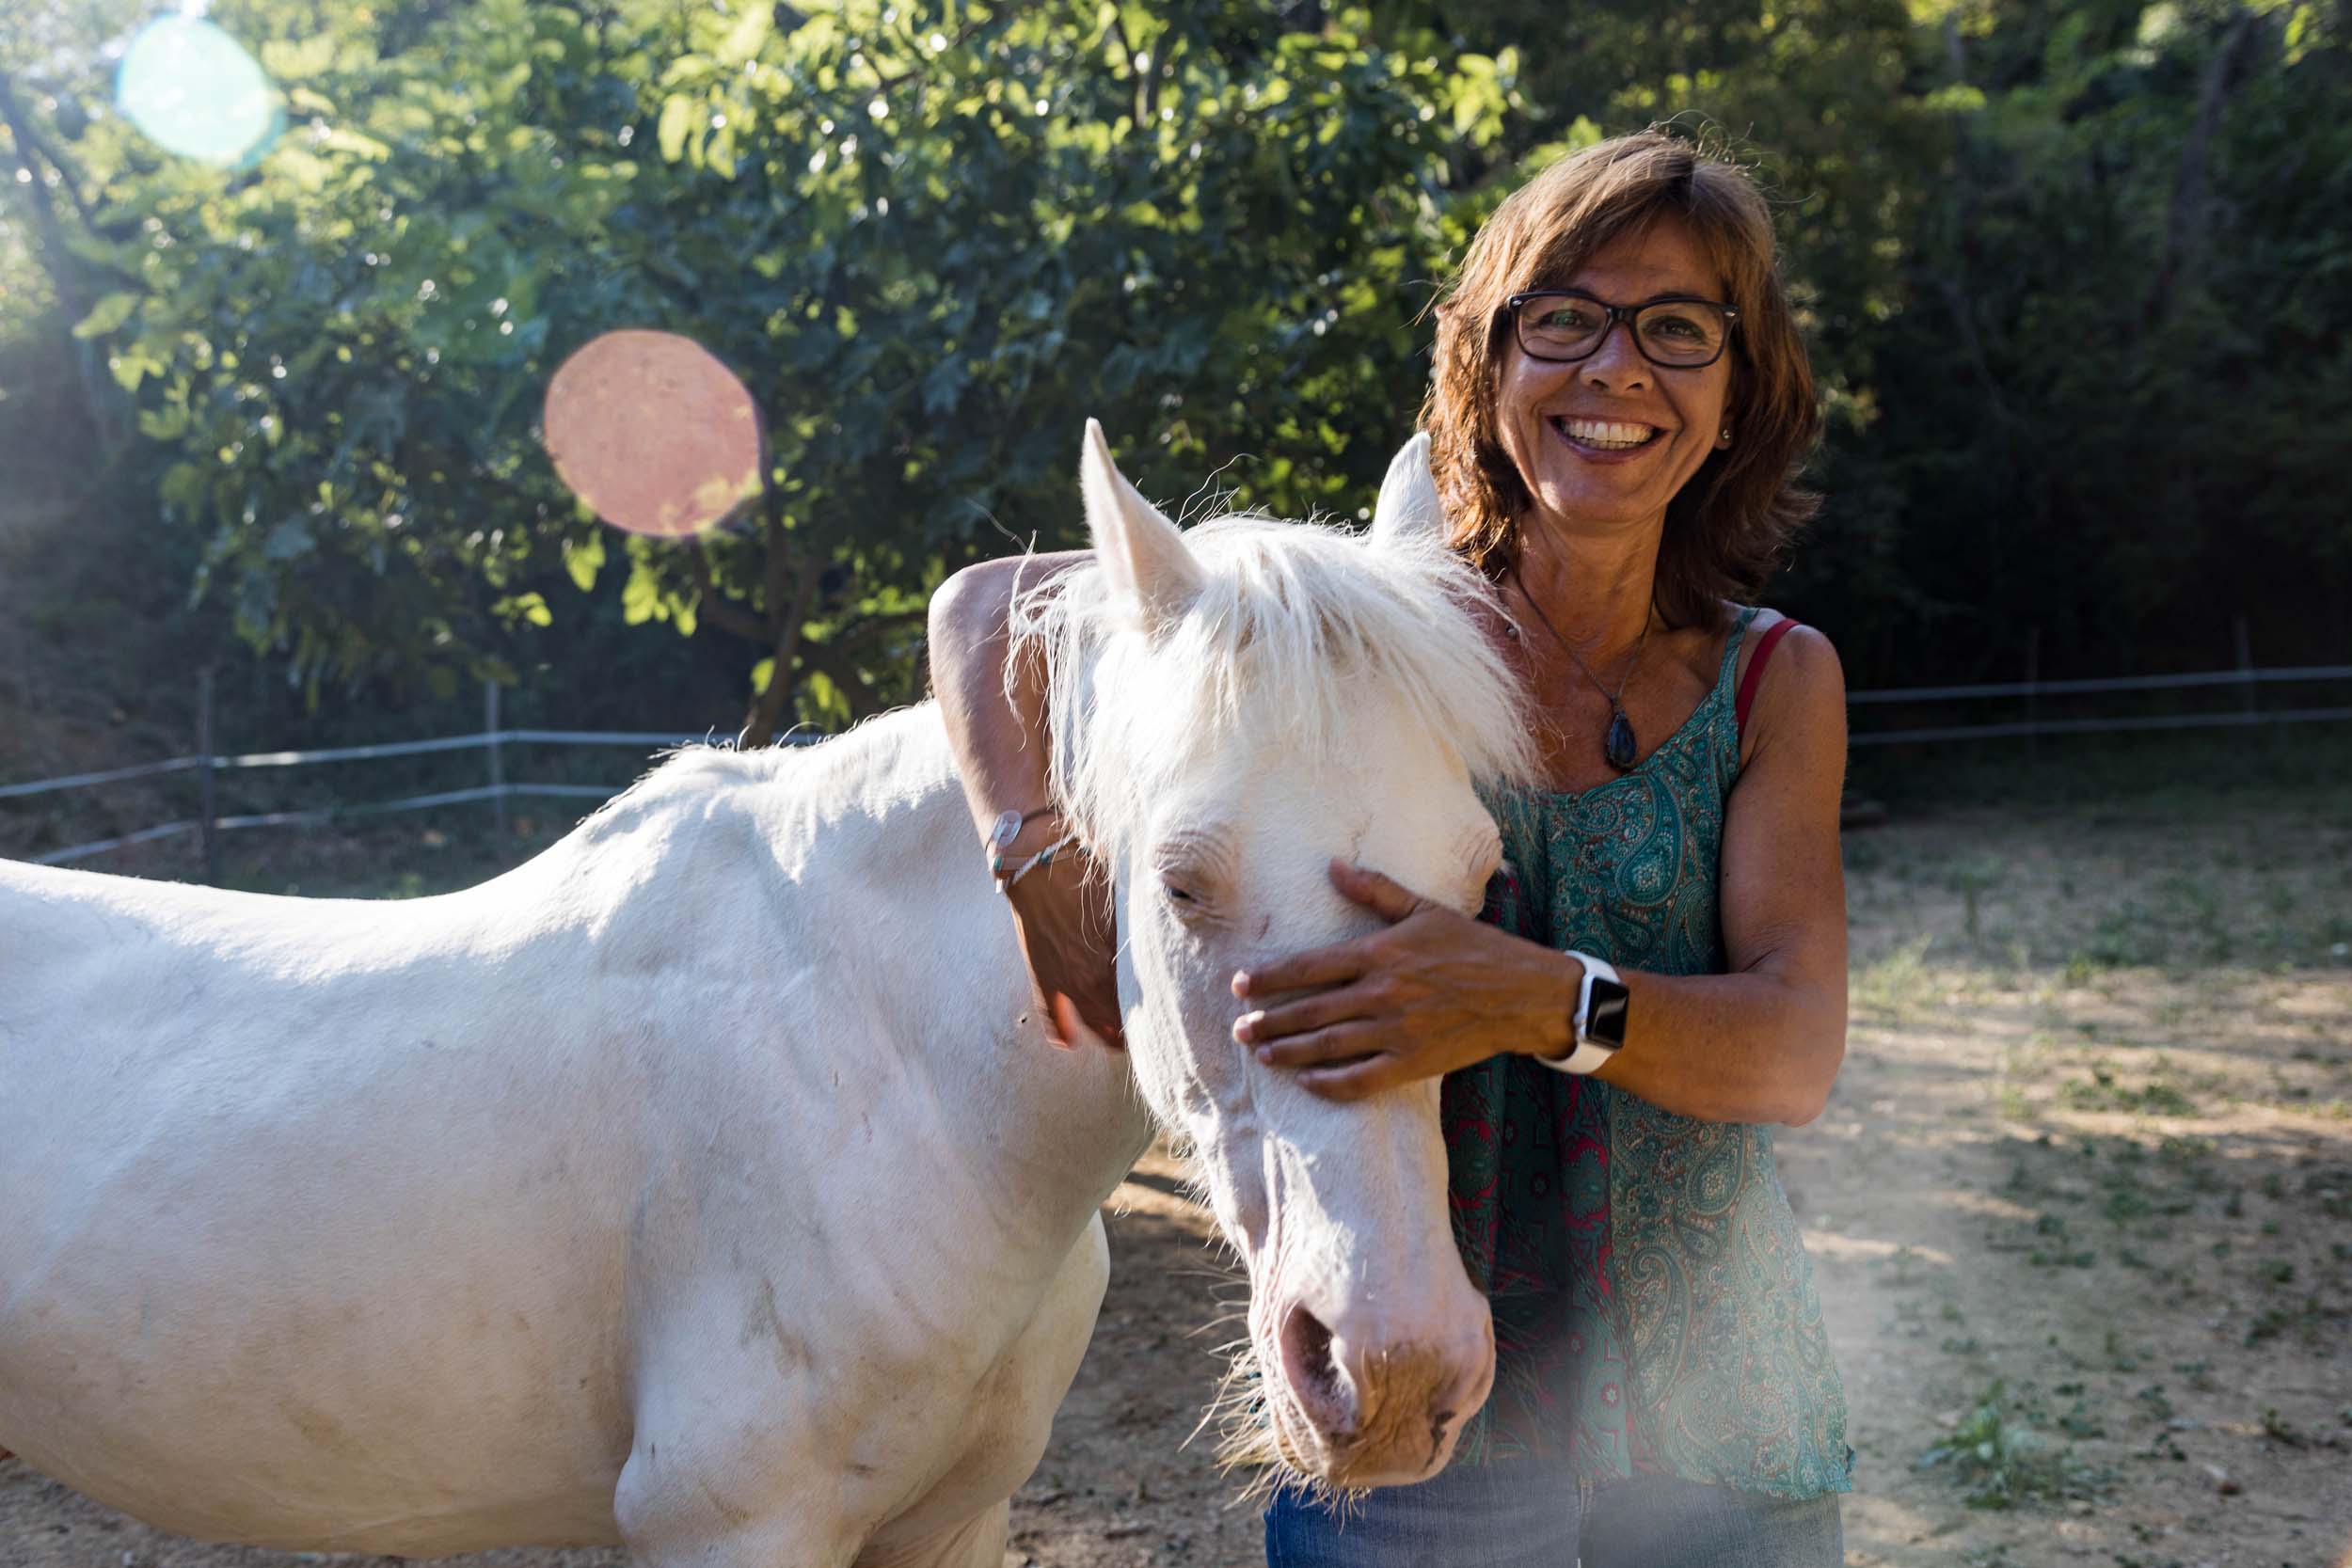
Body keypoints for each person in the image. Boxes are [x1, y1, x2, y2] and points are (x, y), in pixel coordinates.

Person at [927, 130, 1852, 1567]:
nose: (1616, 370)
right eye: (1564, 321)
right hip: (1424, 1399)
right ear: (1487, 369)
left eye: (1677, 329)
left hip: (1717, 1423)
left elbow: (1793, 1053)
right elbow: (993, 603)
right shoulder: (1368, 634)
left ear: (1738, 395)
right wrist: (1035, 854)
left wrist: (1531, 997)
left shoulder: (1774, 681)